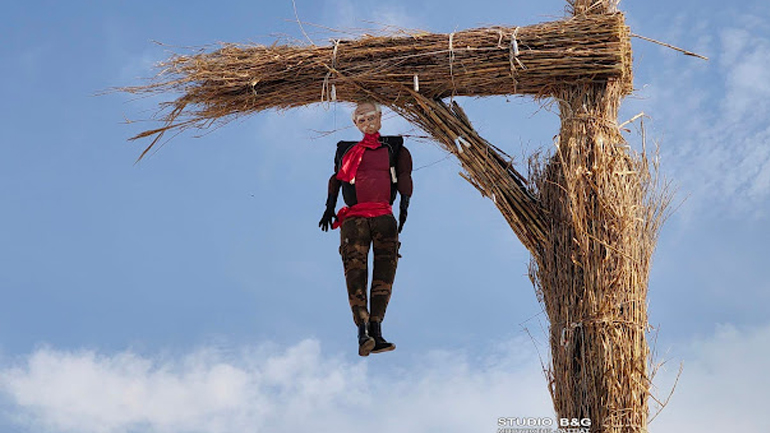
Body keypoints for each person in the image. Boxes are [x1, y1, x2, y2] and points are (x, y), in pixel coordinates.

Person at [319, 101, 413, 357]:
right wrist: (329, 207)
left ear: (381, 117)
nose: (367, 122)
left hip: (383, 216)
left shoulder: (394, 147)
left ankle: (376, 329)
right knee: (355, 272)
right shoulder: (346, 150)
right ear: (354, 124)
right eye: (361, 120)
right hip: (356, 219)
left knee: (385, 272)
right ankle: (363, 330)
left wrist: (404, 208)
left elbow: (405, 177)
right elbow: (336, 178)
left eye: (371, 117)